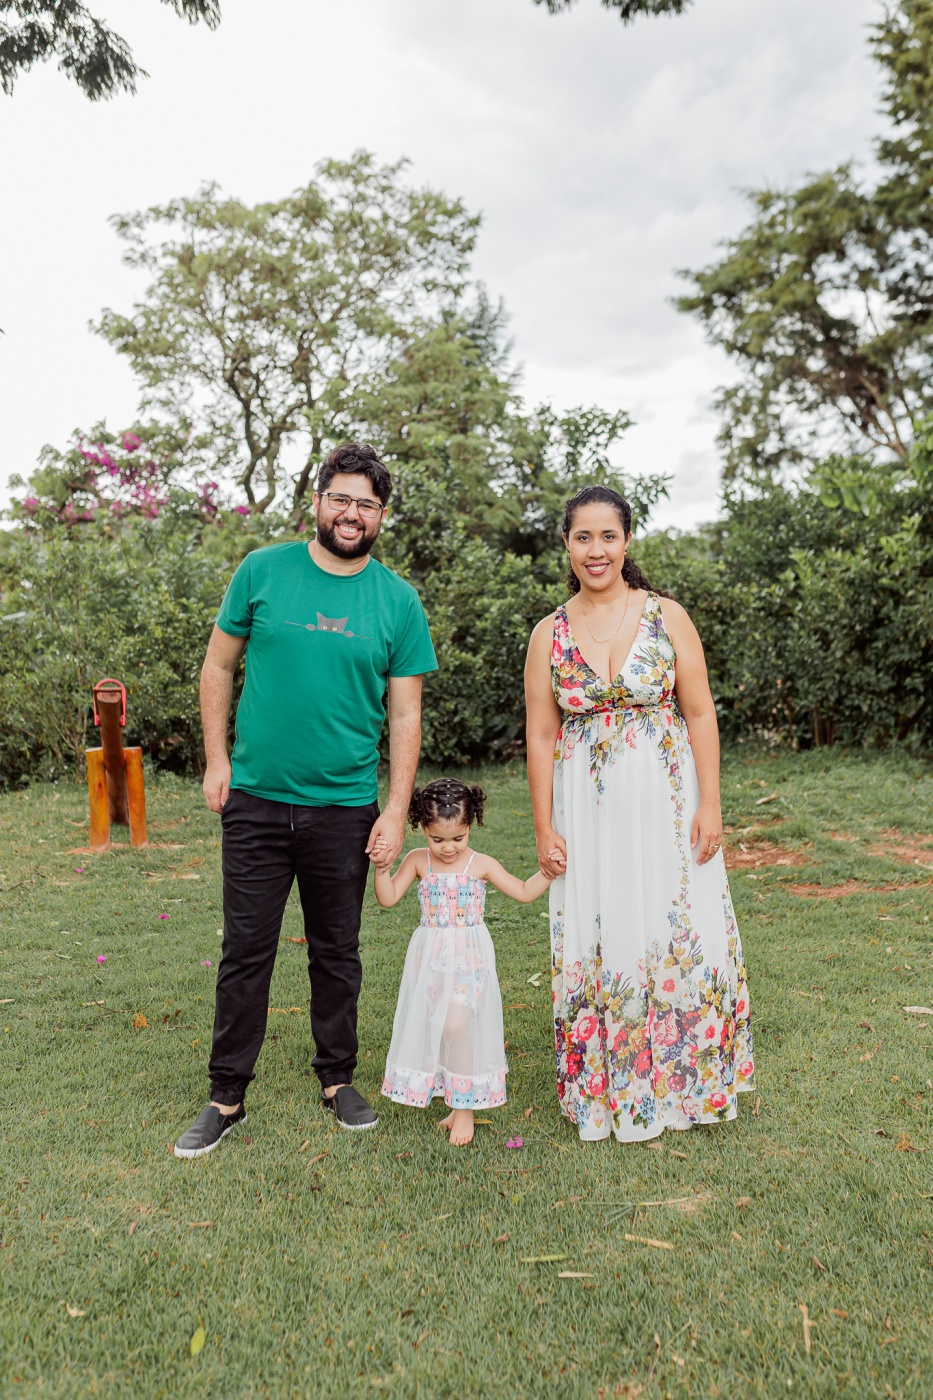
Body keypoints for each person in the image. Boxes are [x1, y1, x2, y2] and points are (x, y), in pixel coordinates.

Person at [174, 443, 437, 1158]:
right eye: (341, 498)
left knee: (337, 952)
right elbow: (217, 666)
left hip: (345, 808)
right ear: (317, 502)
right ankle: (226, 1097)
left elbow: (405, 713)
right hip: (256, 802)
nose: (352, 513)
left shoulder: (397, 601)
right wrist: (218, 759)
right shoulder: (262, 571)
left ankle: (337, 1079)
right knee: (245, 952)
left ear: (381, 516)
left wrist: (394, 808)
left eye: (367, 504)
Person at [523, 485, 755, 1143]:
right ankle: (612, 1087)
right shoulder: (547, 633)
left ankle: (690, 1082)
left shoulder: (666, 616)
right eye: (583, 537)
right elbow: (540, 735)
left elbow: (700, 712)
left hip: (668, 804)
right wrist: (543, 824)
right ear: (566, 544)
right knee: (603, 927)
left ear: (626, 542)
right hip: (587, 815)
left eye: (608, 536)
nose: (595, 550)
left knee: (678, 924)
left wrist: (712, 803)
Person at [375, 778, 554, 1146]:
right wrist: (380, 871)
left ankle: (466, 1108)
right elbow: (388, 898)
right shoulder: (417, 861)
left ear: (470, 825)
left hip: (468, 960)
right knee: (442, 1028)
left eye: (458, 838)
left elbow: (523, 892)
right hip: (431, 961)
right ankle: (455, 1104)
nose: (448, 847)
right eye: (437, 839)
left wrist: (548, 873)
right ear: (423, 828)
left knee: (457, 1026)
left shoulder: (479, 863)